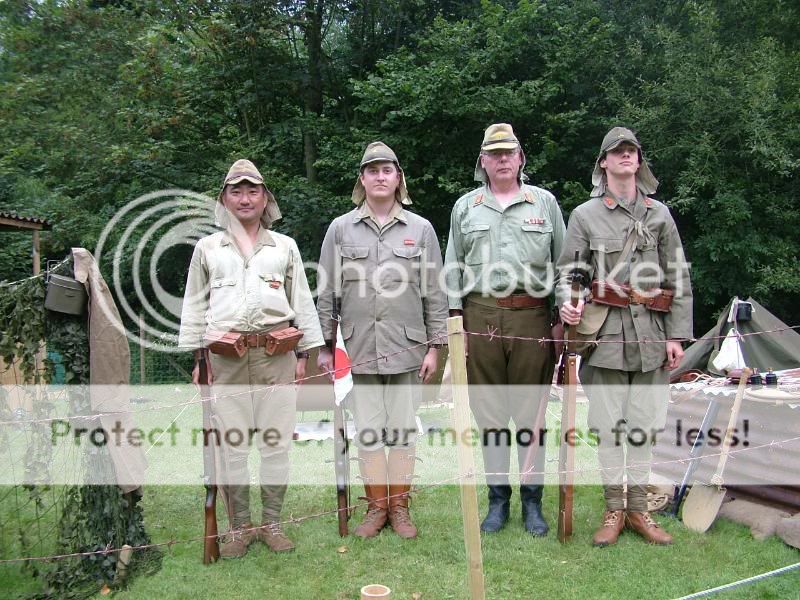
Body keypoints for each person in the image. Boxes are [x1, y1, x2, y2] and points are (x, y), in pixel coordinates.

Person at [179, 159, 324, 558]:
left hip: (277, 356)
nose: (245, 199)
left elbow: (302, 304)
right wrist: (198, 359)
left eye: (252, 191)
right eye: (236, 191)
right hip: (224, 360)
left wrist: (305, 355)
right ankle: (239, 528)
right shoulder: (207, 248)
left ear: (265, 199)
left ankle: (273, 524)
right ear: (224, 200)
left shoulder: (285, 247)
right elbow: (194, 307)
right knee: (233, 447)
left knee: (276, 444)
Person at [557, 127, 692, 546]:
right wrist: (568, 302)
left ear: (639, 160)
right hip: (607, 336)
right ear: (604, 163)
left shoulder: (659, 214)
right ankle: (614, 508)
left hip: (652, 334)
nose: (626, 156)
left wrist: (677, 337)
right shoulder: (585, 215)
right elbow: (570, 273)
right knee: (611, 426)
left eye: (632, 151)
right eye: (617, 152)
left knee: (645, 427)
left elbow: (677, 275)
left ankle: (639, 512)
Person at [317, 142, 448, 539]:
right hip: (360, 350)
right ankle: (375, 507)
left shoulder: (420, 229)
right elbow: (326, 291)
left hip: (408, 349)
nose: (379, 176)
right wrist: (325, 346)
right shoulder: (340, 229)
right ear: (362, 179)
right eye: (371, 170)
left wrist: (435, 347)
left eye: (386, 170)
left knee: (404, 430)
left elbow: (435, 292)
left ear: (398, 178)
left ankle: (400, 506)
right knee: (369, 432)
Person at [444, 123, 566, 535]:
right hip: (480, 317)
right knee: (491, 416)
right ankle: (498, 503)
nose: (501, 160)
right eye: (493, 154)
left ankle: (533, 503)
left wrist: (564, 314)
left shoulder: (544, 204)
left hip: (531, 316)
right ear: (482, 161)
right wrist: (455, 323)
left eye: (508, 153)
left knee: (531, 414)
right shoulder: (466, 207)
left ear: (520, 158)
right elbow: (452, 267)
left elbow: (564, 265)